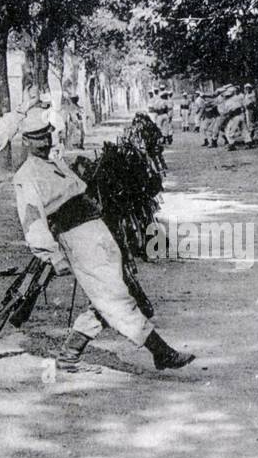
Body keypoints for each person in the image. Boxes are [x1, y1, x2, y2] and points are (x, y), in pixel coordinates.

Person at [11, 110, 195, 373]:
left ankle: (70, 354)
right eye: (37, 138)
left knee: (108, 295)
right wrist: (52, 255)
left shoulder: (55, 163)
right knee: (115, 297)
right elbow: (33, 221)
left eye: (46, 135)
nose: (45, 142)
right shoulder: (26, 176)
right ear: (25, 141)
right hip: (76, 236)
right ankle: (161, 351)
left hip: (97, 230)